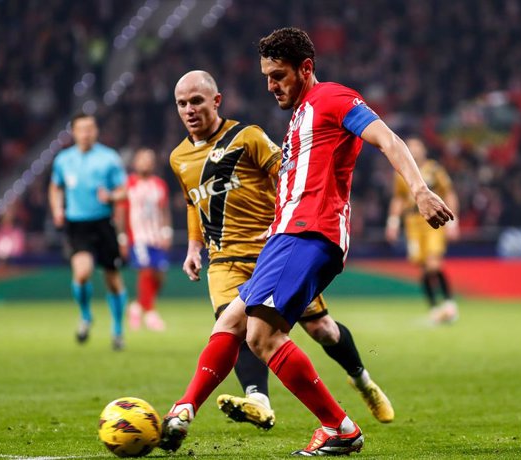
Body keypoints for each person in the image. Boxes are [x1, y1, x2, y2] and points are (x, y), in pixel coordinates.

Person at [159, 28, 453, 456]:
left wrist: (420, 190)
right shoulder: (299, 115)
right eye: (266, 76)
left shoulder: (332, 99)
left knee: (263, 336)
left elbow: (387, 138)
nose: (270, 85)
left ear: (306, 69)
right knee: (231, 325)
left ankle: (340, 428)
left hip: (309, 232)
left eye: (278, 75)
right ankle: (183, 408)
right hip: (285, 236)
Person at [168, 70, 394, 433]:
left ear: (216, 101)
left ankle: (361, 378)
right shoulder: (179, 157)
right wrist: (194, 246)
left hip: (273, 252)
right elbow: (193, 203)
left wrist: (287, 220)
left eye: (196, 101)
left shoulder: (248, 137)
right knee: (234, 324)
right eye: (182, 103)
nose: (190, 109)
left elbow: (288, 173)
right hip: (224, 258)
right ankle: (258, 400)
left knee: (323, 329)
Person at [49, 113, 128, 351]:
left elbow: (124, 191)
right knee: (82, 273)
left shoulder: (109, 158)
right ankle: (85, 315)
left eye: (91, 128)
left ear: (96, 131)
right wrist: (57, 209)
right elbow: (55, 187)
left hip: (104, 223)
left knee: (113, 280)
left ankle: (117, 330)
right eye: (82, 129)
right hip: (77, 225)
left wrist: (111, 196)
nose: (87, 133)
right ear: (74, 132)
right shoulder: (64, 160)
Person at [385, 136, 460, 324]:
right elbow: (399, 199)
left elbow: (449, 192)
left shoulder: (434, 170)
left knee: (434, 264)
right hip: (412, 223)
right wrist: (393, 223)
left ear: (424, 150)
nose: (413, 150)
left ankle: (449, 304)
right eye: (410, 147)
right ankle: (435, 307)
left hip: (433, 222)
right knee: (424, 268)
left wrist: (453, 222)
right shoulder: (400, 172)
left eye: (417, 146)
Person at [119, 148, 172, 332]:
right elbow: (121, 212)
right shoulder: (128, 184)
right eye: (142, 159)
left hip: (157, 237)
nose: (146, 163)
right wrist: (122, 237)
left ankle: (137, 307)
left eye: (149, 160)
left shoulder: (159, 185)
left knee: (160, 276)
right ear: (135, 163)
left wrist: (166, 232)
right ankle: (150, 313)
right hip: (138, 237)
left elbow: (165, 210)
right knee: (146, 271)